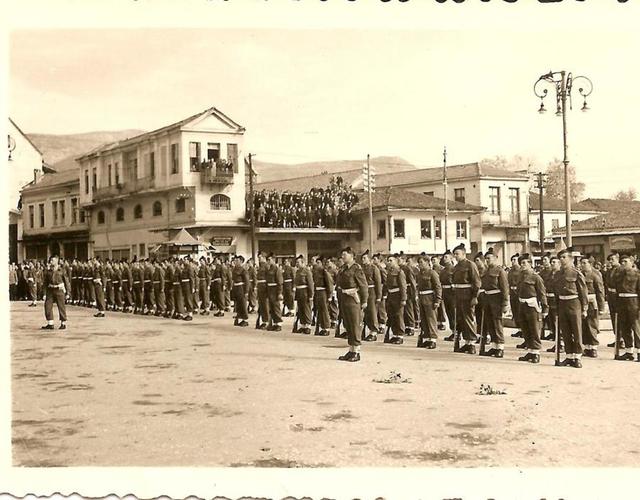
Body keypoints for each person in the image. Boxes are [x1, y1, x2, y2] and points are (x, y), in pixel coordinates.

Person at [553, 248, 589, 368]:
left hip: (574, 303)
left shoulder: (576, 273)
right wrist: (557, 307)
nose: (562, 260)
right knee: (566, 331)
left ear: (571, 259)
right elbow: (556, 292)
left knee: (576, 330)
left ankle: (577, 356)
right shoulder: (557, 274)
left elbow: (583, 291)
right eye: (560, 258)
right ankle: (569, 356)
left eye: (564, 257)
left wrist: (584, 308)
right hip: (562, 304)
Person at [336, 247, 368, 362]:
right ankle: (351, 350)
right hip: (344, 299)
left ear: (351, 255)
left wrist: (364, 301)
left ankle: (357, 351)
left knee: (355, 325)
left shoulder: (357, 269)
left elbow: (363, 286)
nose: (342, 257)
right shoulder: (343, 268)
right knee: (348, 325)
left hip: (354, 299)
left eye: (344, 255)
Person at [516, 253, 547, 364]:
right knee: (526, 329)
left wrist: (544, 308)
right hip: (522, 304)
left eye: (524, 263)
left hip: (532, 306)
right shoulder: (520, 276)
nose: (522, 265)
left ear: (530, 264)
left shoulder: (536, 277)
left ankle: (536, 353)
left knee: (534, 329)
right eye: (521, 263)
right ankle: (530, 350)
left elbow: (542, 293)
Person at [451, 243, 481, 354]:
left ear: (464, 254)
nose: (455, 256)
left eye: (457, 254)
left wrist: (474, 297)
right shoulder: (456, 267)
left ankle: (472, 343)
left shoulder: (470, 265)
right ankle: (467, 343)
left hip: (467, 295)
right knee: (461, 320)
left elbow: (476, 282)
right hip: (458, 296)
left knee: (468, 319)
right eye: (454, 254)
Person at [479, 247, 509, 358]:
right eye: (486, 259)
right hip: (487, 299)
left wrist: (505, 303)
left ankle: (500, 347)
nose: (487, 260)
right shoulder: (485, 271)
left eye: (489, 258)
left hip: (496, 299)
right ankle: (494, 346)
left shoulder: (500, 271)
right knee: (489, 323)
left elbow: (505, 288)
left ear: (496, 258)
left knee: (497, 324)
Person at [614, 253, 640, 361]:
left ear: (632, 262)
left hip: (633, 302)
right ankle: (629, 352)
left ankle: (639, 352)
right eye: (622, 262)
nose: (623, 264)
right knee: (624, 327)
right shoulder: (618, 274)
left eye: (626, 261)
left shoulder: (637, 274)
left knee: (636, 327)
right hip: (621, 302)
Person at [580, 256, 605, 358]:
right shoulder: (580, 275)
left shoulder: (595, 275)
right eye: (581, 263)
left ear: (590, 264)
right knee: (584, 325)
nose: (582, 265)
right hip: (582, 302)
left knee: (592, 325)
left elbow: (600, 291)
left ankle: (594, 348)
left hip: (592, 303)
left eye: (585, 263)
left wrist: (601, 307)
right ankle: (587, 347)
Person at [415, 254, 442, 349]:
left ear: (427, 262)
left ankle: (433, 340)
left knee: (431, 319)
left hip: (430, 298)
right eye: (419, 263)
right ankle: (426, 338)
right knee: (424, 319)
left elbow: (438, 287)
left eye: (421, 262)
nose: (419, 264)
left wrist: (437, 300)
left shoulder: (432, 273)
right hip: (421, 297)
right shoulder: (419, 274)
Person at [384, 255, 407, 345]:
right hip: (391, 296)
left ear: (396, 261)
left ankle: (400, 335)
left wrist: (403, 298)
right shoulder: (389, 272)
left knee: (399, 316)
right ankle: (395, 335)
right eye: (388, 260)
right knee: (392, 316)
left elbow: (403, 286)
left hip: (397, 296)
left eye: (391, 260)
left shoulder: (399, 272)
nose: (389, 262)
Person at [361, 250, 382, 341]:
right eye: (362, 258)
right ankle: (366, 330)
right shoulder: (361, 268)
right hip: (363, 291)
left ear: (369, 259)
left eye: (364, 258)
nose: (363, 260)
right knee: (365, 313)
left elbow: (378, 282)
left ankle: (374, 332)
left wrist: (379, 296)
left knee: (372, 312)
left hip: (371, 291)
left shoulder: (374, 268)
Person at [41, 256, 67, 330]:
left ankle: (63, 323)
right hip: (50, 290)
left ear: (57, 261)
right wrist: (44, 293)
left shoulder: (62, 271)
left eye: (52, 260)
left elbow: (66, 281)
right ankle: (50, 323)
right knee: (47, 306)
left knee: (61, 306)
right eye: (51, 260)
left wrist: (68, 292)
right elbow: (45, 283)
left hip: (59, 290)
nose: (51, 261)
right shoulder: (48, 271)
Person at [604, 252, 623, 349]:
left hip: (618, 296)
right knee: (613, 317)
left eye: (613, 259)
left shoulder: (622, 270)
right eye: (610, 260)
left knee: (620, 318)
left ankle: (623, 339)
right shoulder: (609, 271)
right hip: (611, 296)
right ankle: (617, 338)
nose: (611, 261)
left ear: (617, 258)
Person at [311, 255, 333, 336]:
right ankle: (322, 327)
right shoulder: (316, 272)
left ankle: (326, 328)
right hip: (318, 292)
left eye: (318, 262)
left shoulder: (324, 271)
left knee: (324, 310)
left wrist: (330, 295)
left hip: (323, 292)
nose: (317, 264)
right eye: (316, 262)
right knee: (319, 310)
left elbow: (329, 284)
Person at [293, 254, 314, 334]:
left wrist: (311, 295)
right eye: (297, 262)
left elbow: (310, 284)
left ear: (303, 262)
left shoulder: (307, 271)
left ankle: (308, 326)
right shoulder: (297, 271)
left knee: (306, 309)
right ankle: (303, 325)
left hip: (305, 292)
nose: (297, 264)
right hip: (299, 292)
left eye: (298, 262)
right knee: (301, 309)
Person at [440, 250, 456, 342]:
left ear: (451, 258)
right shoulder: (443, 270)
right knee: (448, 313)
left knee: (453, 313)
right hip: (445, 293)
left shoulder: (454, 269)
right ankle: (453, 331)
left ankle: (457, 332)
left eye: (446, 257)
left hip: (452, 293)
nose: (444, 259)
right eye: (444, 257)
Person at [266, 253, 284, 331]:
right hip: (270, 289)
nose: (268, 261)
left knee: (276, 307)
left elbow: (280, 282)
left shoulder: (277, 269)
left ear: (273, 260)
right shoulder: (269, 269)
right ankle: (274, 323)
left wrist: (279, 293)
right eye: (267, 260)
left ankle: (279, 324)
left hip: (275, 289)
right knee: (271, 307)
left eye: (269, 260)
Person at [231, 255, 250, 327]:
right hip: (236, 287)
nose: (235, 262)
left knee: (243, 304)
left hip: (241, 288)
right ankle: (239, 318)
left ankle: (245, 320)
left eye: (237, 261)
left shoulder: (243, 270)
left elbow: (247, 281)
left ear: (241, 262)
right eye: (235, 261)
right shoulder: (234, 269)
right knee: (238, 304)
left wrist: (246, 291)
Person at [508, 253, 523, 338]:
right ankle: (519, 330)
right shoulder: (510, 271)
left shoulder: (521, 271)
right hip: (512, 293)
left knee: (520, 312)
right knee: (515, 312)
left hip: (519, 293)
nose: (513, 262)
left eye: (515, 260)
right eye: (512, 260)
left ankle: (523, 330)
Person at [255, 252, 270, 329]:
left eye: (260, 258)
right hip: (260, 287)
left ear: (264, 258)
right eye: (258, 258)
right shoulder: (260, 267)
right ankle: (264, 321)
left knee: (265, 305)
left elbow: (268, 278)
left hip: (264, 287)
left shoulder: (267, 266)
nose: (259, 259)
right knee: (261, 305)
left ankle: (267, 321)